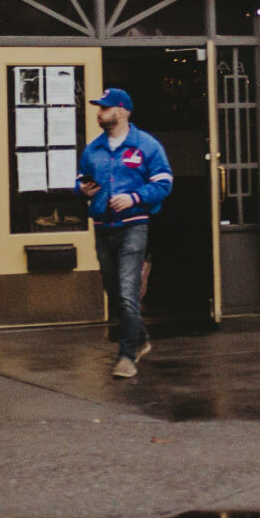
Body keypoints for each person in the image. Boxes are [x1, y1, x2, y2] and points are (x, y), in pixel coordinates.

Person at [76, 88, 173, 379]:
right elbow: (82, 179)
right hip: (103, 227)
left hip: (134, 225)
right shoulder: (93, 149)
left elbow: (164, 182)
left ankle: (126, 356)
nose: (99, 113)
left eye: (105, 108)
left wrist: (134, 197)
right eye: (99, 108)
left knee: (128, 292)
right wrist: (81, 189)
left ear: (122, 111)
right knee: (114, 290)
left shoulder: (146, 145)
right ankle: (141, 339)